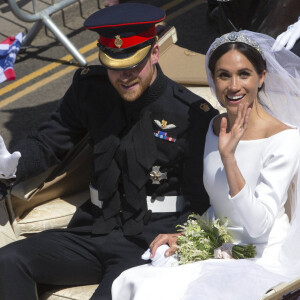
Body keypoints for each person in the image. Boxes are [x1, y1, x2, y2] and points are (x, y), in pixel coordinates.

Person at [0, 3, 218, 300]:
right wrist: (11, 166)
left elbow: (203, 198)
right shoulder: (90, 89)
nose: (124, 76)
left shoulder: (191, 114)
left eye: (133, 65)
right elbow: (48, 141)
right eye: (114, 67)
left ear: (154, 53)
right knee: (9, 261)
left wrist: (184, 236)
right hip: (93, 230)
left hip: (149, 241)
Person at [111, 30, 300, 300]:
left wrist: (229, 158)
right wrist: (186, 234)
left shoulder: (284, 138)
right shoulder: (214, 128)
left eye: (244, 74)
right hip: (218, 247)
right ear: (213, 79)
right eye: (224, 75)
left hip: (261, 258)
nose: (234, 86)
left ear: (262, 77)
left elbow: (259, 226)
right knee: (134, 282)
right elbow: (220, 207)